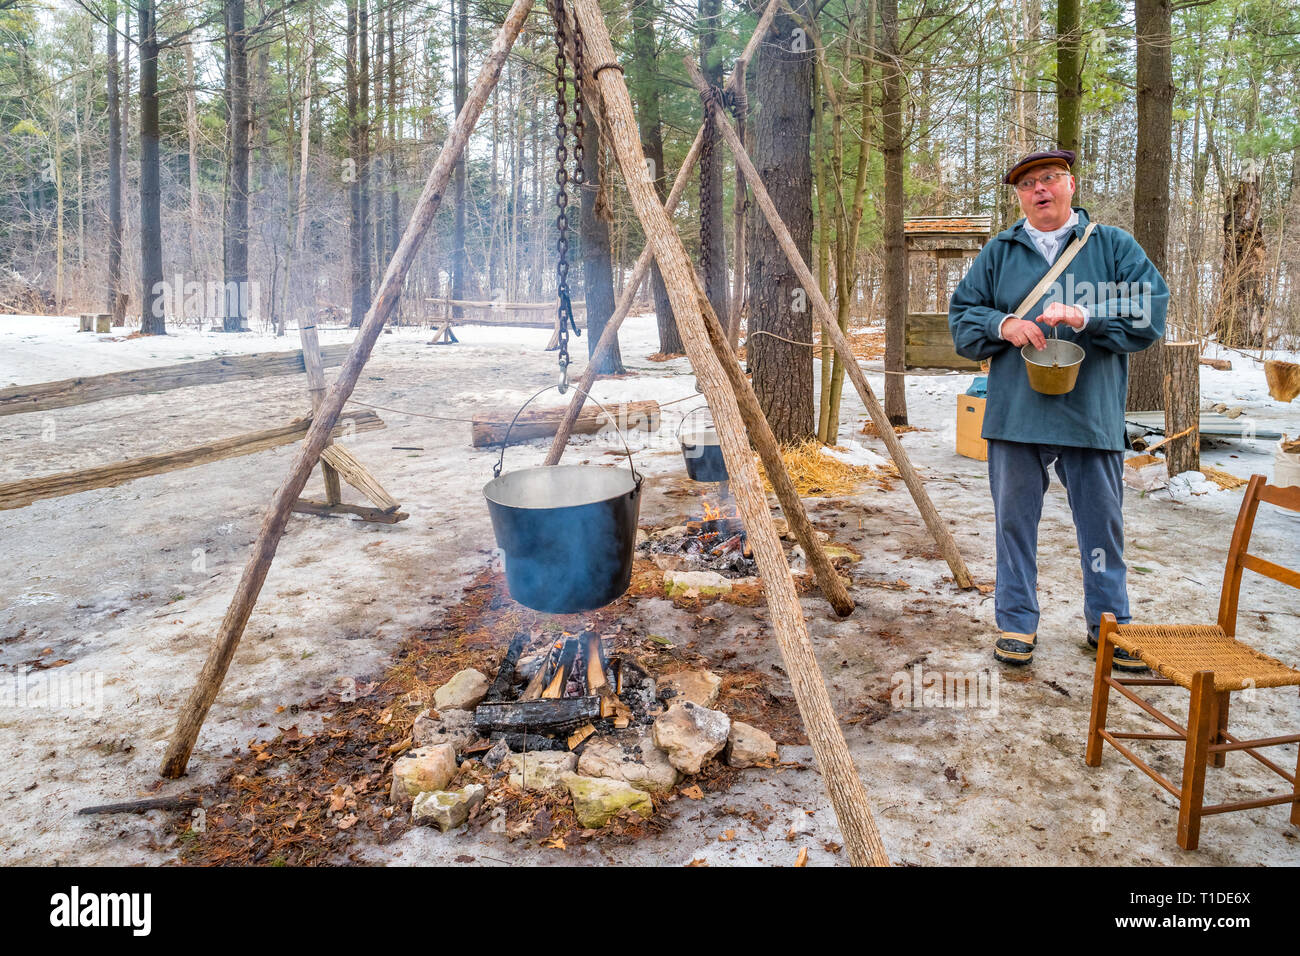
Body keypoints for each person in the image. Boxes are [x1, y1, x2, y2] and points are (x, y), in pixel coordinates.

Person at [948, 149, 1168, 669]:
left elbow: (1149, 310)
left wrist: (1087, 315)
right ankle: (1017, 622)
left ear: (1070, 184)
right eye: (1027, 184)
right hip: (1016, 412)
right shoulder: (999, 250)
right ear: (1020, 197)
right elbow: (962, 317)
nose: (1039, 189)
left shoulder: (1111, 245)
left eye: (1049, 178)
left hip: (1090, 410)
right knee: (1014, 524)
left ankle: (1109, 625)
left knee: (1101, 525)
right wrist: (1002, 325)